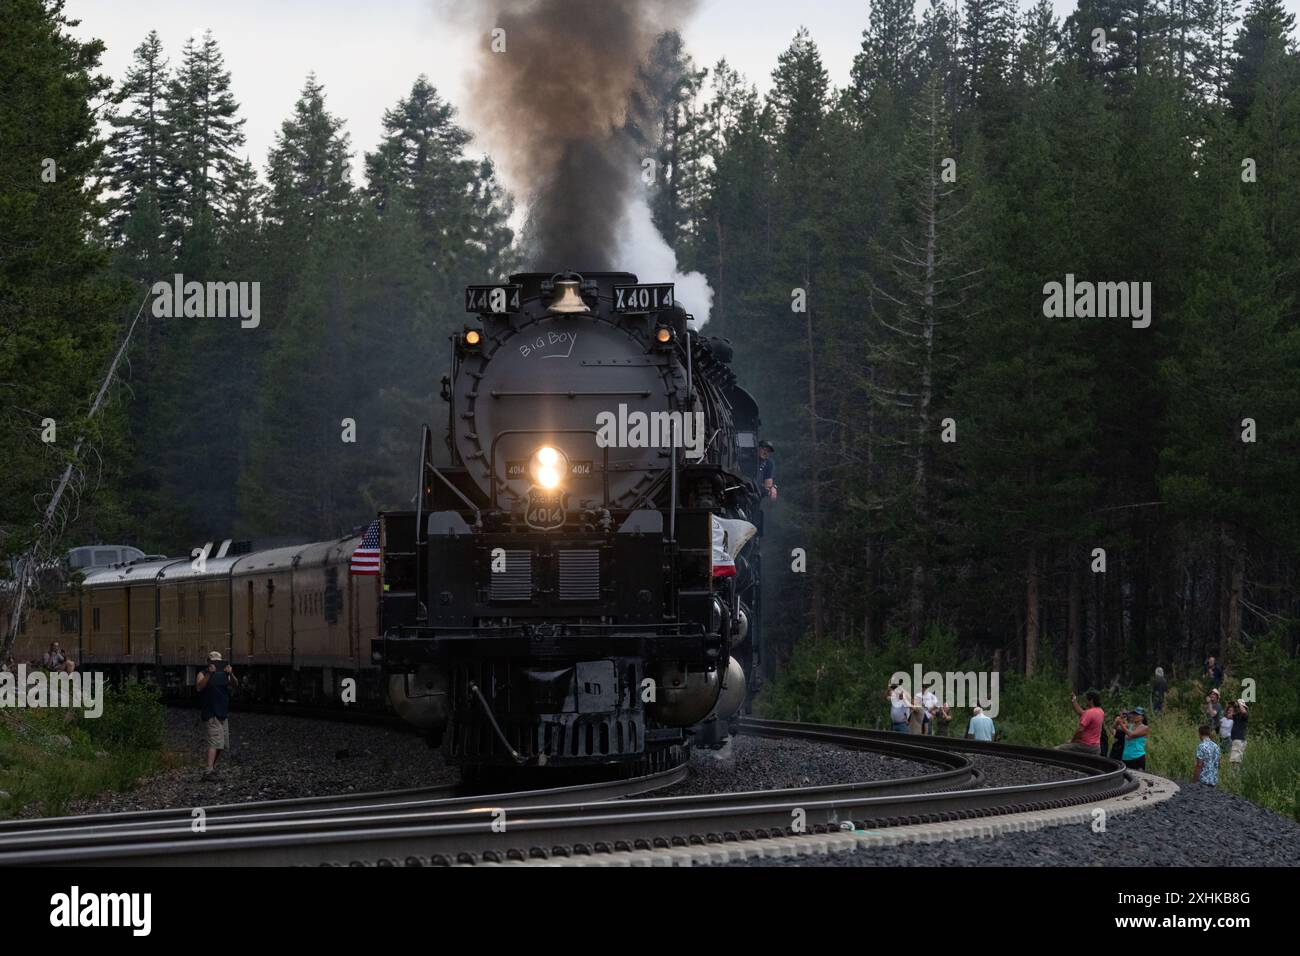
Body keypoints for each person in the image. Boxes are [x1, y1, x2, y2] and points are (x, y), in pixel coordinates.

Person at [196, 650, 238, 777]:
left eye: (218, 662)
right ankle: (208, 770)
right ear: (208, 662)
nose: (215, 663)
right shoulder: (202, 673)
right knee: (214, 742)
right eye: (213, 661)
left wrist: (231, 674)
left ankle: (211, 767)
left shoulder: (225, 674)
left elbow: (235, 685)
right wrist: (209, 673)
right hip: (211, 712)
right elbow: (199, 687)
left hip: (222, 712)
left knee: (221, 743)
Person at [1057, 690, 1104, 754]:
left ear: (1091, 700)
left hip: (1085, 746)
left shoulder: (1089, 713)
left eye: (1086, 699)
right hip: (1096, 748)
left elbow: (1080, 730)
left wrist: (1072, 741)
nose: (1085, 701)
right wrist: (1074, 701)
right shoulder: (1100, 711)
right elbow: (1081, 713)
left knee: (1057, 750)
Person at [1229, 700, 1248, 766]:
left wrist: (1239, 703)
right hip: (1236, 740)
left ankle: (1235, 776)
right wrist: (1232, 706)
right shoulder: (1237, 716)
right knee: (1236, 760)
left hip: (1238, 739)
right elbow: (1228, 715)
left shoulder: (1244, 715)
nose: (1236, 708)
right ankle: (1236, 775)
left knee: (1235, 761)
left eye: (1238, 707)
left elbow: (1244, 711)